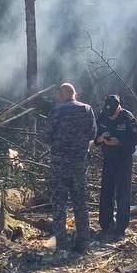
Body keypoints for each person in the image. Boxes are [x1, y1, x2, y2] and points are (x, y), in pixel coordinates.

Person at [44, 82, 96, 252]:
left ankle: (62, 244)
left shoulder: (56, 111)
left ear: (62, 94)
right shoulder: (87, 110)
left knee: (59, 203)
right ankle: (84, 242)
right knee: (80, 202)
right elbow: (93, 134)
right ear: (74, 93)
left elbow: (46, 136)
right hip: (79, 163)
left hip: (59, 164)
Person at [95, 93, 137, 240]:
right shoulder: (102, 116)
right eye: (108, 113)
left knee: (123, 194)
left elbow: (135, 139)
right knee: (106, 192)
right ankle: (106, 225)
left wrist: (119, 141)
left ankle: (120, 228)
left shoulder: (128, 118)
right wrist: (100, 139)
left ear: (118, 108)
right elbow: (94, 137)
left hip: (123, 160)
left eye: (113, 113)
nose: (110, 116)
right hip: (108, 159)